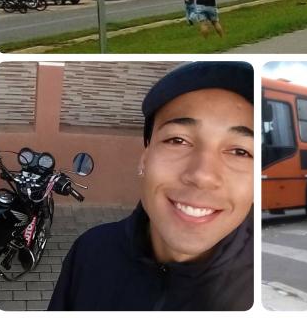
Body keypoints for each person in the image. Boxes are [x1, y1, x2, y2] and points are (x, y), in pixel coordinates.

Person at [48, 62, 255, 311]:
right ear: (144, 159)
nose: (202, 175)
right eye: (178, 140)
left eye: (240, 152)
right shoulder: (91, 251)